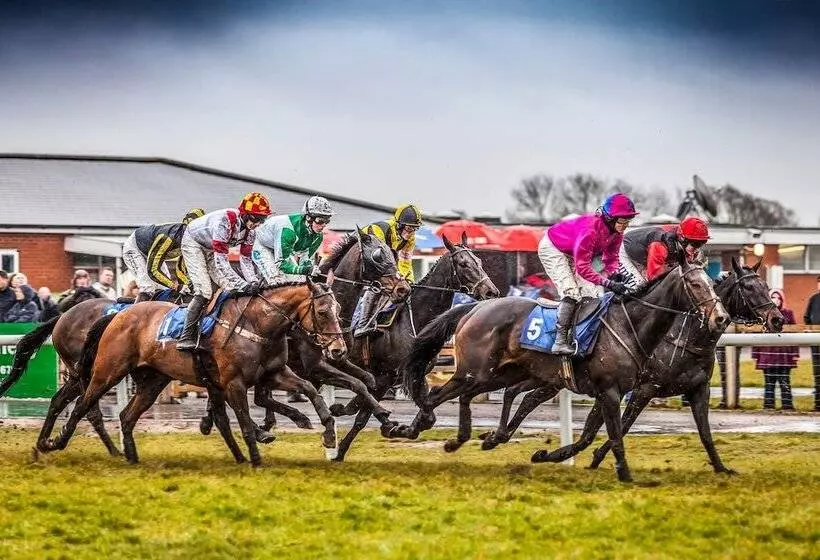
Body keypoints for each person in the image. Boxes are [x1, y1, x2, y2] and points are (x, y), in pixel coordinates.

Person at [538, 192, 638, 354]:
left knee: (591, 296)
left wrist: (614, 274)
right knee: (572, 293)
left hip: (571, 251)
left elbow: (611, 258)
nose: (626, 225)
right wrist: (608, 283)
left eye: (628, 220)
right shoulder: (590, 231)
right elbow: (583, 268)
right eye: (622, 220)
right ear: (610, 218)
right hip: (552, 247)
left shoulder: (617, 233)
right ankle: (559, 341)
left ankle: (581, 336)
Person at [176, 193, 270, 352]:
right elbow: (221, 262)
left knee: (230, 288)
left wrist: (253, 282)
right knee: (204, 291)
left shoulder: (251, 232)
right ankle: (186, 336)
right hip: (194, 243)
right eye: (256, 218)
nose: (258, 224)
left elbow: (246, 260)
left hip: (211, 249)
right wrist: (243, 285)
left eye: (262, 220)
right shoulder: (226, 221)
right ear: (245, 214)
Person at [354, 204, 422, 338]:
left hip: (380, 260)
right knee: (377, 286)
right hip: (361, 257)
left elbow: (405, 260)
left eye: (415, 229)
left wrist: (408, 280)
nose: (411, 232)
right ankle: (363, 324)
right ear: (399, 224)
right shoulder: (379, 229)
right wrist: (395, 275)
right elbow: (377, 258)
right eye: (409, 228)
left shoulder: (410, 238)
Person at [122, 208, 206, 302]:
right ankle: (136, 310)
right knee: (148, 287)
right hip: (134, 248)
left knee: (163, 289)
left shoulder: (190, 240)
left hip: (151, 251)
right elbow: (153, 270)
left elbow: (179, 269)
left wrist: (187, 286)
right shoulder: (167, 238)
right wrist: (176, 286)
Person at [252, 196, 331, 284]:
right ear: (308, 218)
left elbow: (305, 260)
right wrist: (304, 270)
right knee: (277, 282)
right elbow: (281, 264)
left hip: (281, 247)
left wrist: (310, 269)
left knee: (300, 282)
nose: (324, 225)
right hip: (262, 246)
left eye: (327, 221)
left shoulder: (318, 236)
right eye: (320, 220)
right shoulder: (288, 231)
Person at [619, 216, 710, 288]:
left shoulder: (683, 243)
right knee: (639, 286)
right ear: (682, 239)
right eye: (695, 244)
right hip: (623, 253)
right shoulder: (660, 245)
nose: (697, 249)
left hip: (643, 256)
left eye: (701, 244)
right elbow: (654, 277)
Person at [752, 289, 799, 410]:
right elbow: (757, 335)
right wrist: (755, 354)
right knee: (769, 383)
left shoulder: (788, 314)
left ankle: (787, 406)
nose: (776, 300)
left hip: (784, 357)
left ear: (782, 300)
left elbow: (795, 334)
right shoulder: (763, 314)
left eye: (779, 298)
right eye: (773, 297)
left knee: (785, 382)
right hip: (767, 356)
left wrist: (795, 353)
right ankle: (768, 406)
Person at [803, 275, 820, 411]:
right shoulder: (813, 299)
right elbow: (806, 317)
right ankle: (818, 403)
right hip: (816, 342)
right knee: (817, 373)